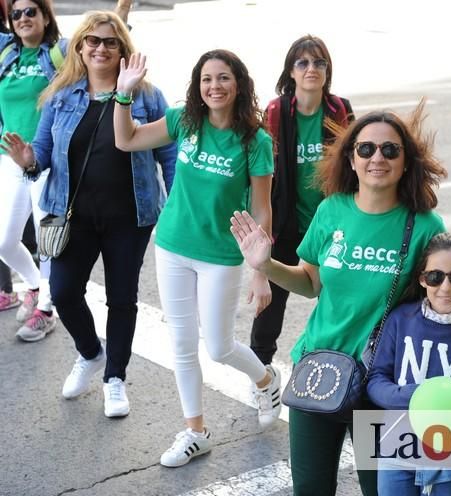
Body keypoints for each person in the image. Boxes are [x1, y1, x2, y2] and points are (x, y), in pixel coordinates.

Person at [230, 101, 448, 496]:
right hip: (320, 371)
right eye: (366, 149)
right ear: (351, 159)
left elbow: (440, 304)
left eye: (389, 150)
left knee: (382, 491)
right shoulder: (332, 211)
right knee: (310, 489)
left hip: (384, 383)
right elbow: (310, 283)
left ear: (405, 161)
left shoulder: (425, 226)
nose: (376, 158)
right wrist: (265, 265)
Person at [0, 11, 175, 417]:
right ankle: (91, 353)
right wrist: (28, 160)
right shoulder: (60, 96)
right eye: (92, 41)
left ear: (123, 50)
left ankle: (115, 377)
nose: (100, 48)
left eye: (110, 42)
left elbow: (169, 155)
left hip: (130, 217)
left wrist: (175, 204)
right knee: (61, 292)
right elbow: (41, 156)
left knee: (122, 299)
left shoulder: (147, 96)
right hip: (73, 215)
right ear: (79, 47)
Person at [113, 48, 281, 468]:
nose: (214, 86)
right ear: (197, 85)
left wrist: (260, 270)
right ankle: (195, 432)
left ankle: (266, 379)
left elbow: (262, 208)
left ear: (238, 84)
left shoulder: (255, 141)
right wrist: (123, 94)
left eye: (223, 78)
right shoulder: (183, 122)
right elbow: (126, 139)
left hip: (221, 255)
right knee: (183, 345)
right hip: (172, 245)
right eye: (207, 79)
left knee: (220, 347)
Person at [0, 0, 132, 341]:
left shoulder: (58, 51)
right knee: (3, 241)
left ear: (46, 16)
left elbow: (100, 42)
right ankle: (32, 285)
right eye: (16, 14)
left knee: (49, 239)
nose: (24, 18)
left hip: (49, 155)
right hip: (12, 158)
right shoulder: (6, 54)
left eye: (31, 11)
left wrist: (123, 9)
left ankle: (45, 309)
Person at [367, 232, 451, 496]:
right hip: (396, 446)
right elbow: (375, 381)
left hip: (450, 456)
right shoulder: (400, 320)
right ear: (421, 279)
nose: (445, 287)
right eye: (435, 276)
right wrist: (417, 395)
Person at [252, 34, 354, 367]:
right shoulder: (277, 111)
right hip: (287, 221)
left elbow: (354, 166)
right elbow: (262, 169)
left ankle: (343, 366)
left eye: (319, 62)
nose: (312, 69)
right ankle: (261, 370)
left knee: (339, 297)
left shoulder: (339, 110)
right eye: (303, 62)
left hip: (330, 226)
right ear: (291, 72)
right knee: (271, 300)